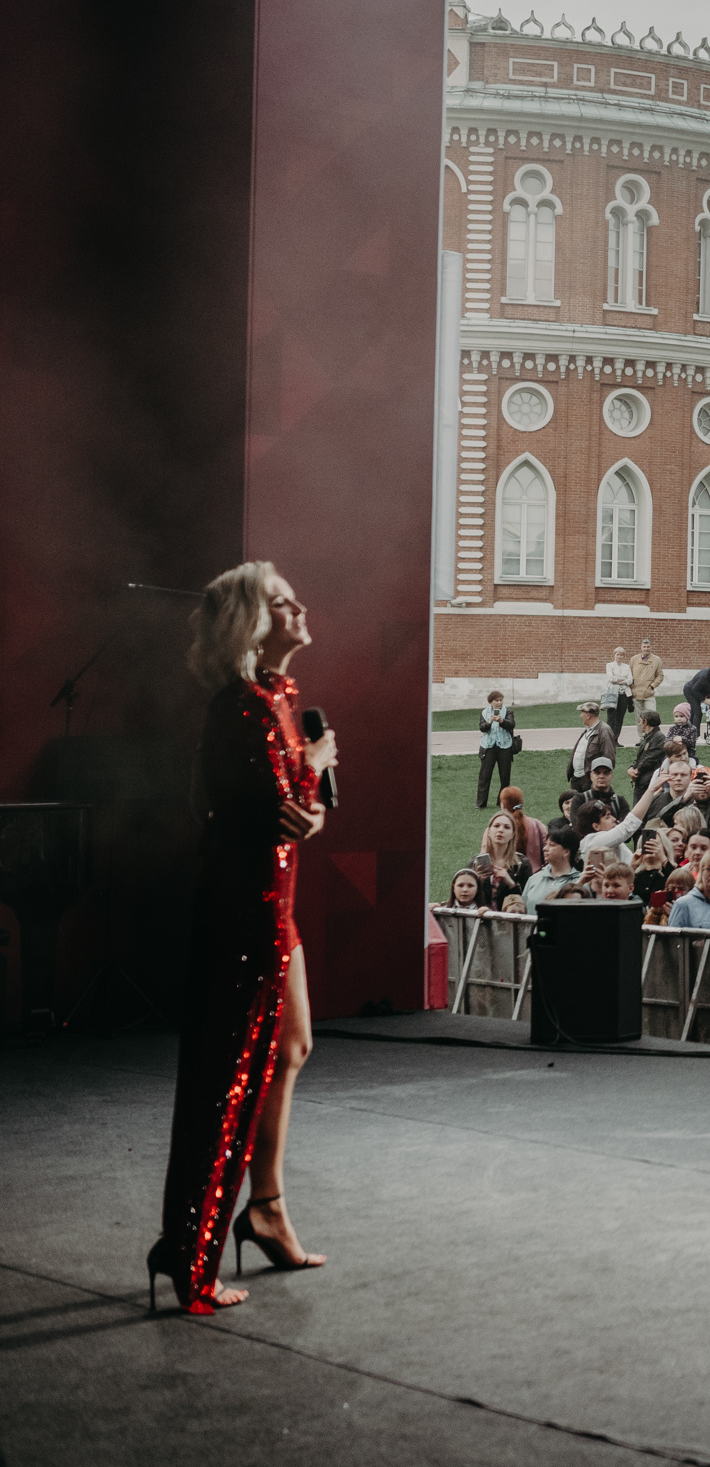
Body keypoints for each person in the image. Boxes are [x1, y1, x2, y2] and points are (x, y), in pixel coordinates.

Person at [151, 562, 339, 1314]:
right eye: (282, 600)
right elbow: (266, 810)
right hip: (244, 912)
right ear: (254, 625)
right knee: (226, 1083)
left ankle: (263, 1208)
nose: (300, 605)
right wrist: (311, 775)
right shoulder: (240, 708)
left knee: (292, 1045)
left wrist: (311, 787)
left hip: (273, 904)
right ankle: (189, 1252)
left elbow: (300, 814)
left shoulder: (281, 698)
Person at [474, 689, 516, 809]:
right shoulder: (484, 712)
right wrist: (489, 722)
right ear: (490, 702)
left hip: (504, 746)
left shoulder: (508, 712)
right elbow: (481, 728)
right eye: (496, 700)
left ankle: (502, 802)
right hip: (489, 747)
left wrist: (502, 721)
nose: (499, 703)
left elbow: (512, 724)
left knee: (505, 776)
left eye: (500, 700)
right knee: (484, 776)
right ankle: (481, 804)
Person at [603, 646, 635, 745]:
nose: (619, 657)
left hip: (624, 694)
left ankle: (616, 739)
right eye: (617, 654)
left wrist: (620, 680)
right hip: (613, 693)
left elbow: (630, 680)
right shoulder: (610, 665)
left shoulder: (627, 667)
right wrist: (623, 680)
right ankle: (609, 740)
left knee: (620, 718)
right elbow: (611, 678)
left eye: (621, 655)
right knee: (611, 718)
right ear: (614, 655)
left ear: (624, 656)